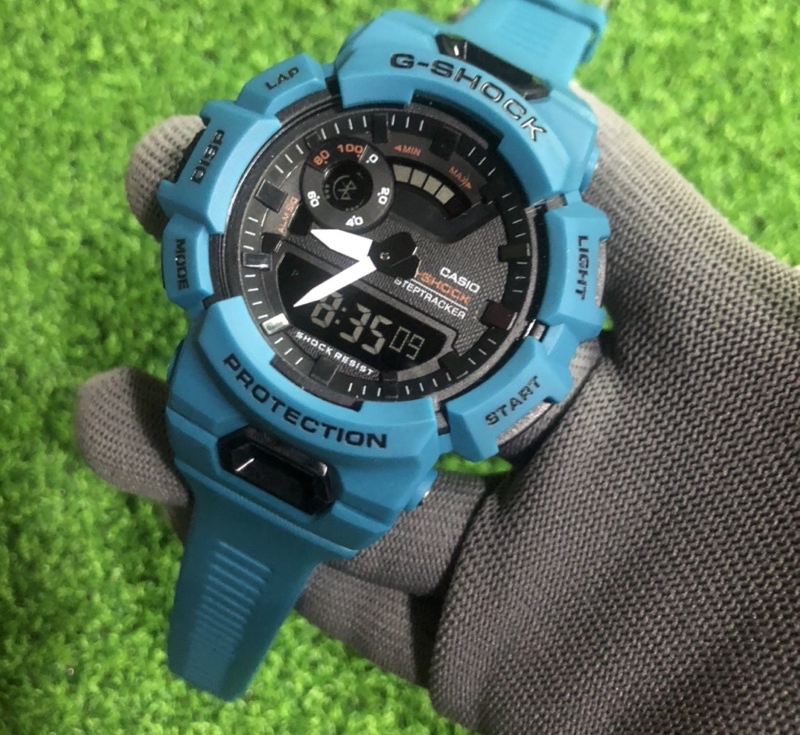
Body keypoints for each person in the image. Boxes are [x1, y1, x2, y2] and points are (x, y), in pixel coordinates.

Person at [75, 91, 800, 735]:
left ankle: (209, 666)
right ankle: (209, 666)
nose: (394, 256)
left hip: (357, 431)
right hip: (245, 378)